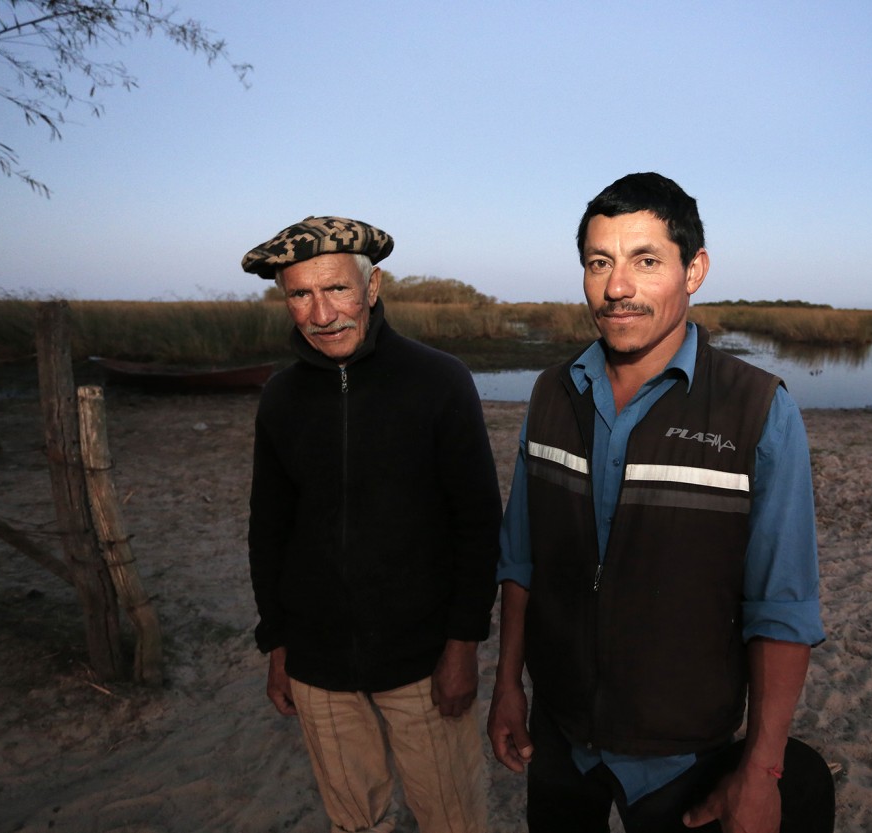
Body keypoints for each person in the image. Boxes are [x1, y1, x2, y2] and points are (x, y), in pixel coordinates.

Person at [487, 174, 834, 833]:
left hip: (683, 752)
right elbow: (521, 560)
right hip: (560, 736)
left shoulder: (759, 409)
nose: (617, 286)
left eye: (646, 260)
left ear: (694, 269)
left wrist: (761, 772)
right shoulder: (552, 394)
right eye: (599, 262)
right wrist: (508, 687)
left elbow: (782, 609)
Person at [241, 216, 502, 833]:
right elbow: (268, 530)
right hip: (316, 662)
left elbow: (479, 521)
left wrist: (463, 645)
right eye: (300, 294)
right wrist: (277, 646)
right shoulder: (280, 397)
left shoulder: (439, 381)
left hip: (424, 659)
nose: (321, 313)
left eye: (336, 289)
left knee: (454, 818)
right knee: (355, 822)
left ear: (373, 286)